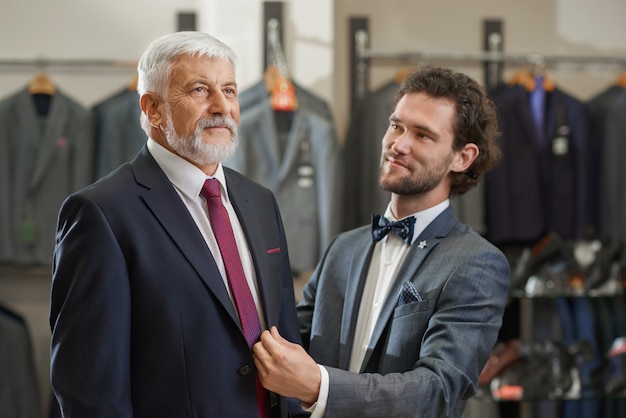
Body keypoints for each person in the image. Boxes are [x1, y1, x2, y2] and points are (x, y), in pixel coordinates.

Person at [49, 31, 304, 418]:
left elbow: (285, 339)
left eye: (230, 90)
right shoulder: (101, 214)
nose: (222, 106)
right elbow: (89, 389)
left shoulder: (260, 201)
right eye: (200, 90)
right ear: (152, 108)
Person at [253, 66, 511, 418]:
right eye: (397, 125)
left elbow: (437, 391)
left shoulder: (477, 262)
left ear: (462, 157)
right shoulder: (343, 247)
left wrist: (319, 386)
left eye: (422, 135)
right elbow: (285, 340)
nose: (398, 144)